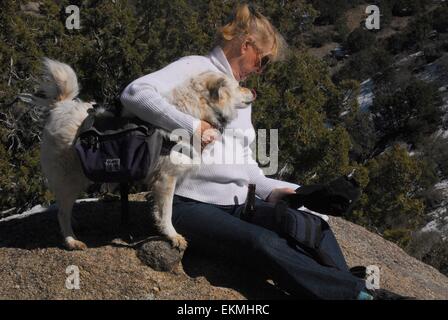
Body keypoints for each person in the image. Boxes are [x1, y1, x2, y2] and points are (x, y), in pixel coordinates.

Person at [120, 3, 377, 300]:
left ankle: (351, 289)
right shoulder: (194, 67)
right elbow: (135, 93)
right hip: (189, 205)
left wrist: (284, 192)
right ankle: (356, 295)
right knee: (263, 243)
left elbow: (245, 164)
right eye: (263, 61)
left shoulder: (241, 96)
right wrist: (192, 126)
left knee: (311, 224)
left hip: (241, 205)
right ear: (245, 46)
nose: (261, 70)